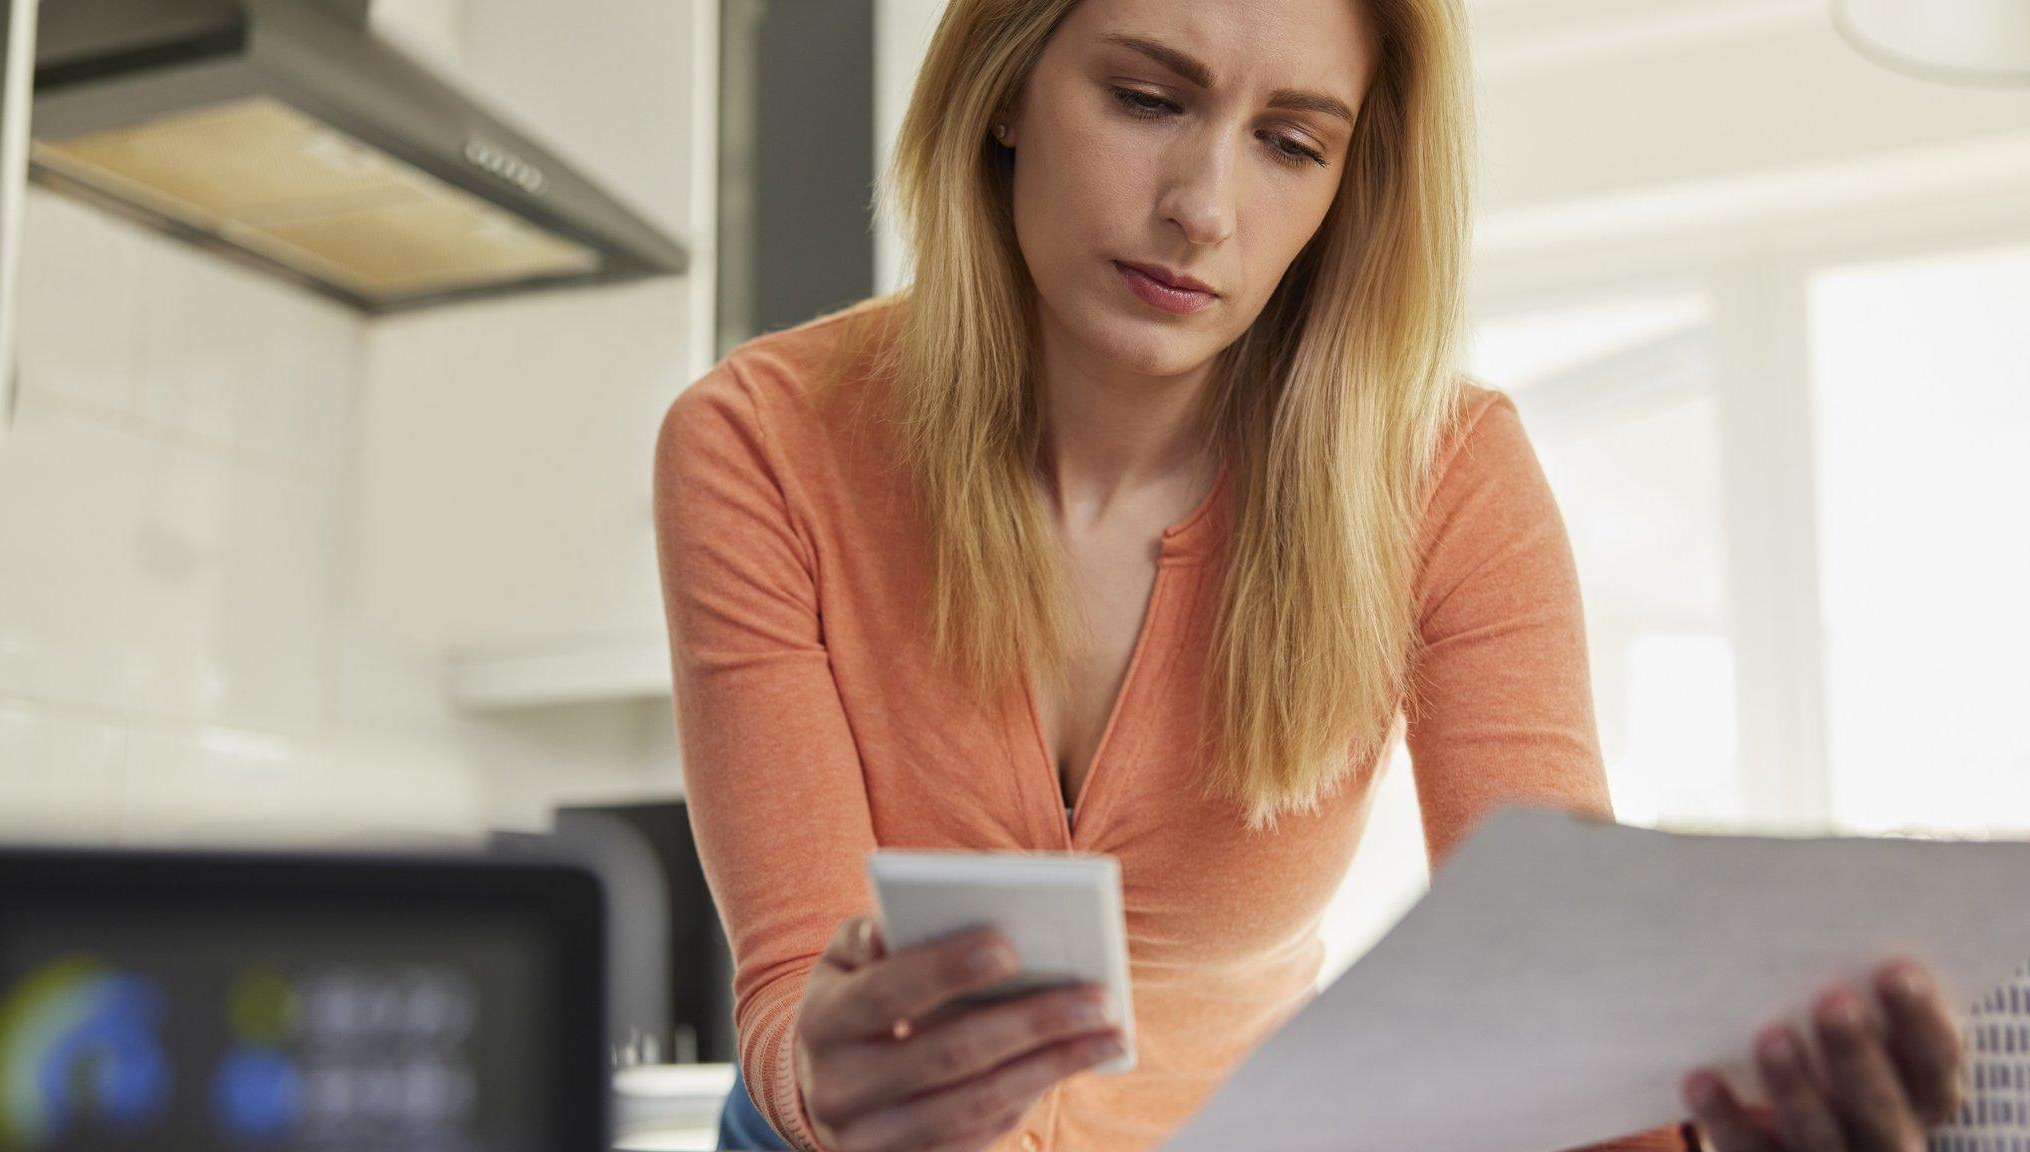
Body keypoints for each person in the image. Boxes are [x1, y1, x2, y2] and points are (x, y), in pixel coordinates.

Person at [651, 1, 1968, 1149]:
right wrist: (834, 1080)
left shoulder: (1445, 477)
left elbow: (1557, 1008)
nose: (1203, 208)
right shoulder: (760, 443)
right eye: (1146, 98)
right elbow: (786, 998)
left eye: (1292, 143)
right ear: (1002, 87)